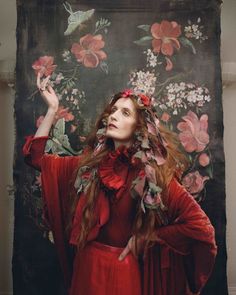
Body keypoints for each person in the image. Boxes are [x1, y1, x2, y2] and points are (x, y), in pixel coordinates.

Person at [22, 73, 217, 295]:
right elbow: (35, 158)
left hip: (124, 273)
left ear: (139, 127)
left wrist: (149, 237)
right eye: (113, 110)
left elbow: (202, 228)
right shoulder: (88, 166)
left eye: (125, 113)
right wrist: (51, 109)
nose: (114, 115)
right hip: (87, 269)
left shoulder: (152, 176)